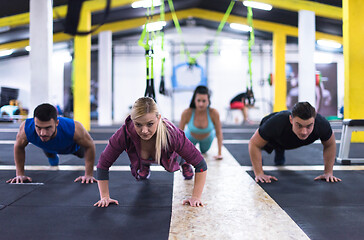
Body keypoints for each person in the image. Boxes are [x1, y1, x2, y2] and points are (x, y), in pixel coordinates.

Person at [94, 97, 207, 208]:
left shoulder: (172, 134)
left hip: (169, 156)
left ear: (158, 118)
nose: (144, 131)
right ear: (133, 121)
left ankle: (184, 162)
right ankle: (143, 164)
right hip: (141, 155)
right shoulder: (124, 133)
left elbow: (201, 165)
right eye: (138, 124)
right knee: (139, 166)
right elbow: (103, 164)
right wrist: (104, 196)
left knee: (179, 158)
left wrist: (196, 197)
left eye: (150, 124)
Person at [248, 101, 341, 183]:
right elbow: (254, 144)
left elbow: (330, 145)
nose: (304, 132)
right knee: (263, 148)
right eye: (299, 125)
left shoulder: (322, 124)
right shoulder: (275, 123)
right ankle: (278, 149)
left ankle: (280, 150)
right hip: (275, 137)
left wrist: (328, 173)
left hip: (288, 138)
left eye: (309, 126)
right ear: (291, 120)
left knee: (283, 148)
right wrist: (259, 173)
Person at [6, 103, 96, 184]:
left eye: (48, 128)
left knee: (81, 154)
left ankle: (53, 153)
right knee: (47, 147)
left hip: (71, 147)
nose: (43, 133)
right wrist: (20, 174)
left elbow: (90, 146)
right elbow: (19, 147)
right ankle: (53, 157)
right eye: (39, 128)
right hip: (47, 146)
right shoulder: (26, 129)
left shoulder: (75, 128)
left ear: (57, 123)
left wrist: (88, 174)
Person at [179, 85, 223, 162]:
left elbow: (219, 133)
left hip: (207, 138)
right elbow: (179, 133)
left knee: (204, 151)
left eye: (204, 101)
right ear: (194, 100)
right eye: (198, 101)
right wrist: (178, 152)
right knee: (189, 153)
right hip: (190, 137)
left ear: (208, 101)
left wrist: (219, 153)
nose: (201, 104)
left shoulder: (214, 113)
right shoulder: (187, 113)